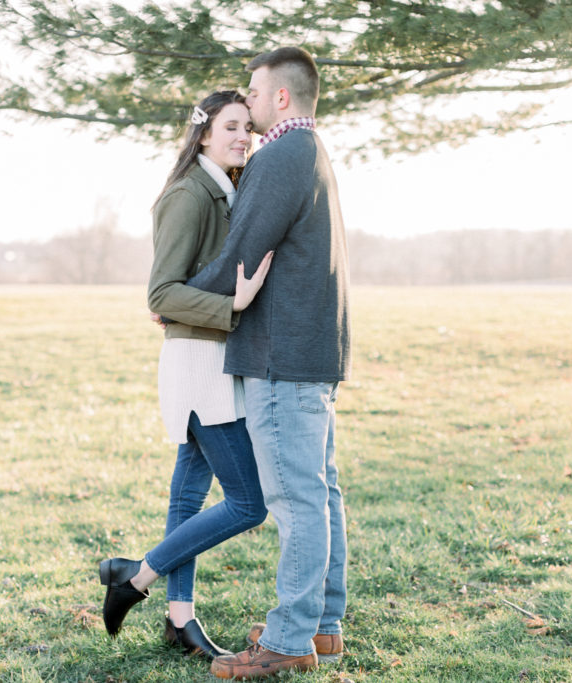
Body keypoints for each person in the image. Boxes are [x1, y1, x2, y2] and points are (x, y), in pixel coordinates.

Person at [184, 48, 352, 679]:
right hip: (312, 352)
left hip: (284, 357)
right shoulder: (311, 150)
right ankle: (321, 626)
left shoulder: (281, 157)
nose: (247, 105)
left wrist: (175, 297)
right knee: (321, 494)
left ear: (281, 96)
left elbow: (242, 250)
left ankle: (287, 641)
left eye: (253, 93)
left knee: (296, 499)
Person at [99, 90, 274, 661]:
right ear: (202, 134)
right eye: (231, 127)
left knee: (189, 496)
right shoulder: (188, 194)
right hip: (200, 363)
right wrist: (235, 305)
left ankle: (179, 619)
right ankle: (135, 577)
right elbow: (161, 292)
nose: (243, 137)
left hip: (210, 359)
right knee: (249, 503)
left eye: (249, 128)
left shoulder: (224, 189)